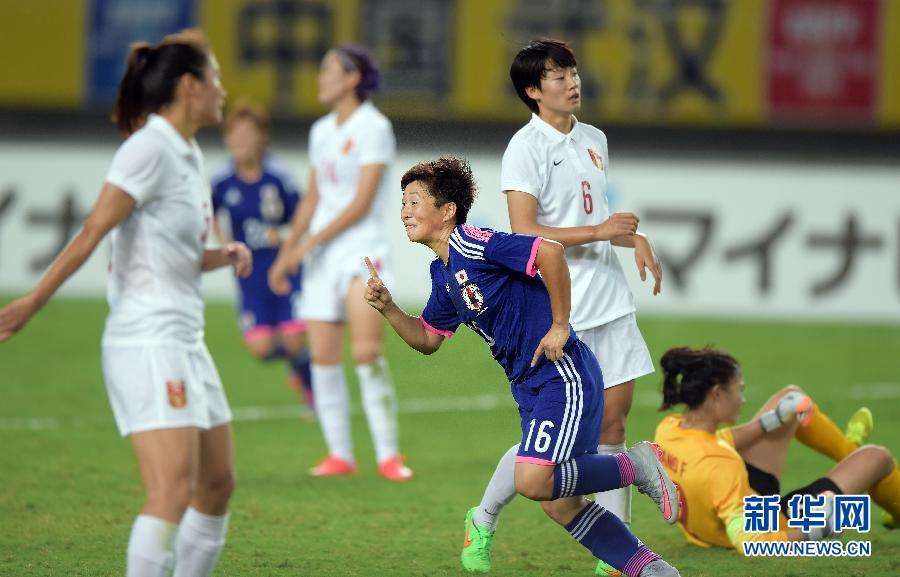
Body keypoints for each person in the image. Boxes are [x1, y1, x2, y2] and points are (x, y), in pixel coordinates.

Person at [0, 30, 250, 577]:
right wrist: (32, 303)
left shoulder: (186, 153)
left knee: (216, 485)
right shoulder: (149, 147)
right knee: (170, 492)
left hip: (186, 339)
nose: (223, 91)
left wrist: (222, 255)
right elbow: (93, 230)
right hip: (147, 341)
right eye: (215, 78)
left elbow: (179, 252)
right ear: (190, 87)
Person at [364, 156, 680, 577]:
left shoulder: (473, 242)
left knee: (533, 480)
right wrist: (387, 308)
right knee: (559, 502)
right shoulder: (442, 272)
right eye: (403, 202)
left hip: (560, 374)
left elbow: (549, 252)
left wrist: (560, 324)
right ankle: (653, 570)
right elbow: (427, 339)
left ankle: (637, 465)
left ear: (447, 210)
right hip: (528, 386)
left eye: (415, 200)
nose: (405, 210)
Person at [465, 38, 663, 575]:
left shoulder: (594, 138)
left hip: (610, 299)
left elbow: (595, 215)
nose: (570, 81)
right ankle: (482, 517)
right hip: (557, 307)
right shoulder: (524, 147)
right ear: (532, 91)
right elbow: (525, 233)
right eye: (556, 75)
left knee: (614, 430)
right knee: (548, 443)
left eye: (571, 71)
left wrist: (630, 240)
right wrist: (601, 229)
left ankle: (614, 559)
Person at [268, 44, 411, 481]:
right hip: (321, 258)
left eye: (328, 70)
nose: (320, 77)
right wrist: (289, 250)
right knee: (324, 358)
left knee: (366, 352)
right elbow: (313, 197)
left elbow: (361, 201)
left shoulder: (374, 127)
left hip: (361, 253)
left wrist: (306, 243)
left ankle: (389, 455)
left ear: (352, 78)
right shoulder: (321, 131)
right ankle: (340, 455)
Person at [653, 346, 900, 551]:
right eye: (740, 390)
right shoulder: (721, 466)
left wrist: (771, 420)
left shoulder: (669, 429)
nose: (743, 399)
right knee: (878, 457)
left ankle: (850, 450)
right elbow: (749, 541)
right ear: (717, 394)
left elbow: (717, 442)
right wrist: (816, 528)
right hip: (769, 523)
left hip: (709, 519)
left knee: (791, 398)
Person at [211, 99, 313, 412]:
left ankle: (311, 390)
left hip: (284, 267)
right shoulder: (222, 181)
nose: (240, 142)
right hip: (250, 274)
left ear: (262, 137)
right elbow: (210, 213)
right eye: (234, 135)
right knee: (262, 347)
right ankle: (297, 367)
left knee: (294, 338)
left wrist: (282, 238)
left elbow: (303, 216)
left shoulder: (279, 177)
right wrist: (224, 245)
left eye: (247, 134)